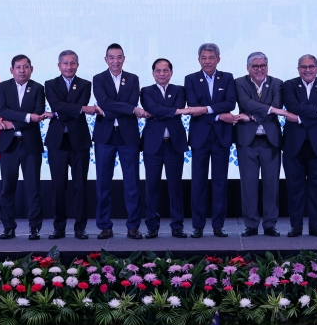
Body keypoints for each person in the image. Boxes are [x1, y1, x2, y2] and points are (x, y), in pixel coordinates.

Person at [235, 52, 295, 237]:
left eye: (263, 66)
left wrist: (252, 116)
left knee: (272, 185)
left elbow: (275, 105)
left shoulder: (277, 83)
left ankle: (270, 224)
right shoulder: (239, 83)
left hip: (271, 141)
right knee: (249, 185)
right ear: (248, 68)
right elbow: (245, 102)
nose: (259, 69)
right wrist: (269, 109)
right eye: (255, 66)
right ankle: (251, 225)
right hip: (247, 141)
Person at [92, 43, 148, 239]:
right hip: (105, 136)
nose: (115, 61)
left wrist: (112, 108)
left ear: (124, 58)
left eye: (119, 57)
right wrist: (131, 110)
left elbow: (127, 103)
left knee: (132, 182)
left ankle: (133, 226)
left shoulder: (132, 79)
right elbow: (104, 102)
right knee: (103, 183)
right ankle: (104, 226)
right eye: (111, 57)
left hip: (128, 135)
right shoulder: (98, 79)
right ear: (106, 59)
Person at [184, 43, 240, 238]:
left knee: (219, 183)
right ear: (199, 59)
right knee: (198, 183)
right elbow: (193, 106)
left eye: (211, 58)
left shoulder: (227, 77)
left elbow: (230, 103)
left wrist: (206, 110)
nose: (207, 61)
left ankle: (218, 225)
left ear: (218, 59)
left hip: (221, 138)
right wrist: (217, 115)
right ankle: (197, 225)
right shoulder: (190, 79)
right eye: (204, 58)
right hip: (199, 138)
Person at [0, 55, 50, 240]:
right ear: (12, 70)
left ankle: (34, 227)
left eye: (25, 67)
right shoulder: (3, 87)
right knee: (7, 188)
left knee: (33, 188)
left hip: (30, 145)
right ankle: (8, 227)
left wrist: (14, 122)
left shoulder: (38, 88)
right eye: (18, 67)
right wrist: (26, 118)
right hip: (8, 145)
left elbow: (38, 113)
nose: (22, 70)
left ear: (31, 69)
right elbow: (2, 111)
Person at [282, 54, 317, 237]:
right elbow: (292, 105)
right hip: (293, 145)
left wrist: (297, 118)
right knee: (294, 188)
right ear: (298, 69)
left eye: (311, 66)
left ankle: (315, 226)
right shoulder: (288, 85)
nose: (307, 70)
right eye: (303, 67)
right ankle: (295, 226)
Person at [44, 50, 94, 240]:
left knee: (80, 186)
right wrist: (78, 109)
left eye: (72, 63)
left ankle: (80, 227)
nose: (69, 67)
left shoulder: (85, 84)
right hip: (57, 141)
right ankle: (59, 227)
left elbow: (66, 107)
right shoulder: (50, 84)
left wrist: (66, 109)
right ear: (59, 66)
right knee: (58, 186)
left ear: (77, 65)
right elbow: (56, 105)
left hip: (79, 140)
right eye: (65, 63)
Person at [140, 58, 191, 238]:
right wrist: (170, 112)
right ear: (153, 73)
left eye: (165, 70)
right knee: (151, 187)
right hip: (153, 145)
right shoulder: (146, 91)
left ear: (171, 72)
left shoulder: (179, 90)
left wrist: (158, 113)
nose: (162, 73)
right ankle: (152, 226)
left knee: (175, 187)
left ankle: (177, 226)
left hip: (174, 144)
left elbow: (170, 108)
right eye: (158, 71)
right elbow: (152, 107)